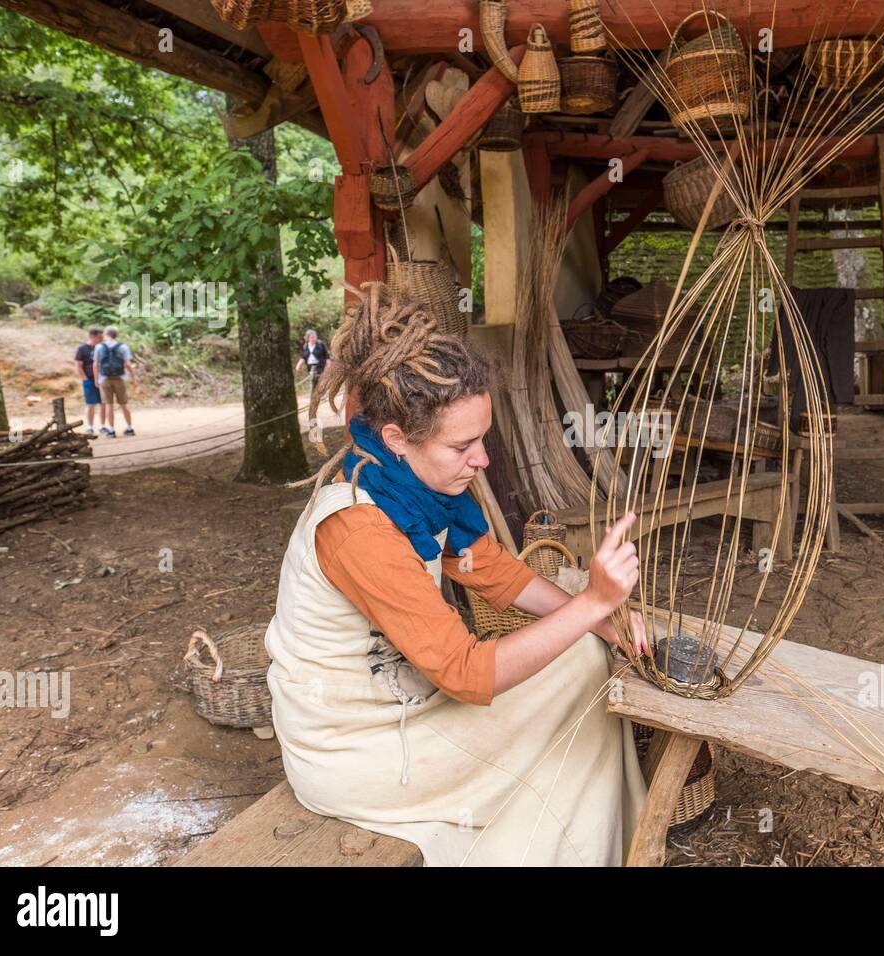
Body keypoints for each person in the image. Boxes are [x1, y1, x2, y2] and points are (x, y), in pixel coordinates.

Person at [265, 294, 650, 866]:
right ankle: (559, 849)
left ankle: (572, 846)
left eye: (482, 440)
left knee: (586, 659)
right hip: (351, 745)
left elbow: (491, 572)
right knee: (579, 670)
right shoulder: (358, 529)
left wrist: (606, 620)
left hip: (397, 707)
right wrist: (591, 605)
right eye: (462, 446)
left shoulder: (411, 487)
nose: (482, 461)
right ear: (397, 438)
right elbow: (467, 674)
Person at [93, 326, 139, 437]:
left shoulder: (99, 347)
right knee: (124, 404)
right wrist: (134, 380)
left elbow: (95, 365)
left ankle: (112, 430)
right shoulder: (123, 347)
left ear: (106, 334)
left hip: (104, 378)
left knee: (108, 405)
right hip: (120, 378)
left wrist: (96, 379)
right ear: (115, 335)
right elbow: (128, 365)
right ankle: (129, 428)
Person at [73, 327, 106, 439]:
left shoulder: (102, 348)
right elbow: (78, 365)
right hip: (89, 380)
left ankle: (102, 425)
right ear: (93, 336)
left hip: (102, 379)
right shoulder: (82, 349)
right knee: (90, 404)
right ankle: (90, 426)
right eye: (100, 337)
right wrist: (85, 379)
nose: (102, 339)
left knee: (103, 403)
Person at [294, 329, 330, 395]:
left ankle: (319, 394)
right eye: (312, 337)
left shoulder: (320, 344)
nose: (314, 339)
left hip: (320, 365)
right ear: (308, 338)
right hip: (310, 366)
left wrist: (328, 364)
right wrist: (298, 365)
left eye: (315, 337)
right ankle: (314, 395)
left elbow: (326, 355)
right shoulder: (306, 346)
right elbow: (303, 357)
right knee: (313, 380)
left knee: (320, 380)